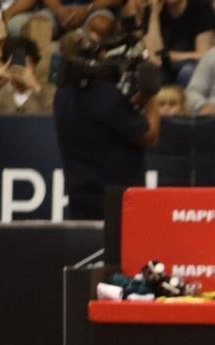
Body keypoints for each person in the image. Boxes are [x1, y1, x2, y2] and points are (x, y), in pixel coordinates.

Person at [53, 29, 160, 219]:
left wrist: (138, 97)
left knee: (89, 249)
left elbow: (105, 119)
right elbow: (149, 136)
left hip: (80, 202)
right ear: (97, 55)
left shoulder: (61, 96)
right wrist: (150, 94)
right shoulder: (106, 95)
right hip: (118, 204)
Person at [131, 0, 215, 86]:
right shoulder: (153, 10)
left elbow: (204, 54)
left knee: (187, 71)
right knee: (148, 73)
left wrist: (174, 56)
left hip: (192, 64)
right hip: (165, 66)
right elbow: (155, 56)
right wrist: (154, 14)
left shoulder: (200, 7)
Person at [0, 33, 53, 110]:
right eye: (15, 62)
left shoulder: (50, 93)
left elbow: (58, 118)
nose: (19, 68)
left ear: (35, 65)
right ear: (6, 65)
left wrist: (36, 88)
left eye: (24, 63)